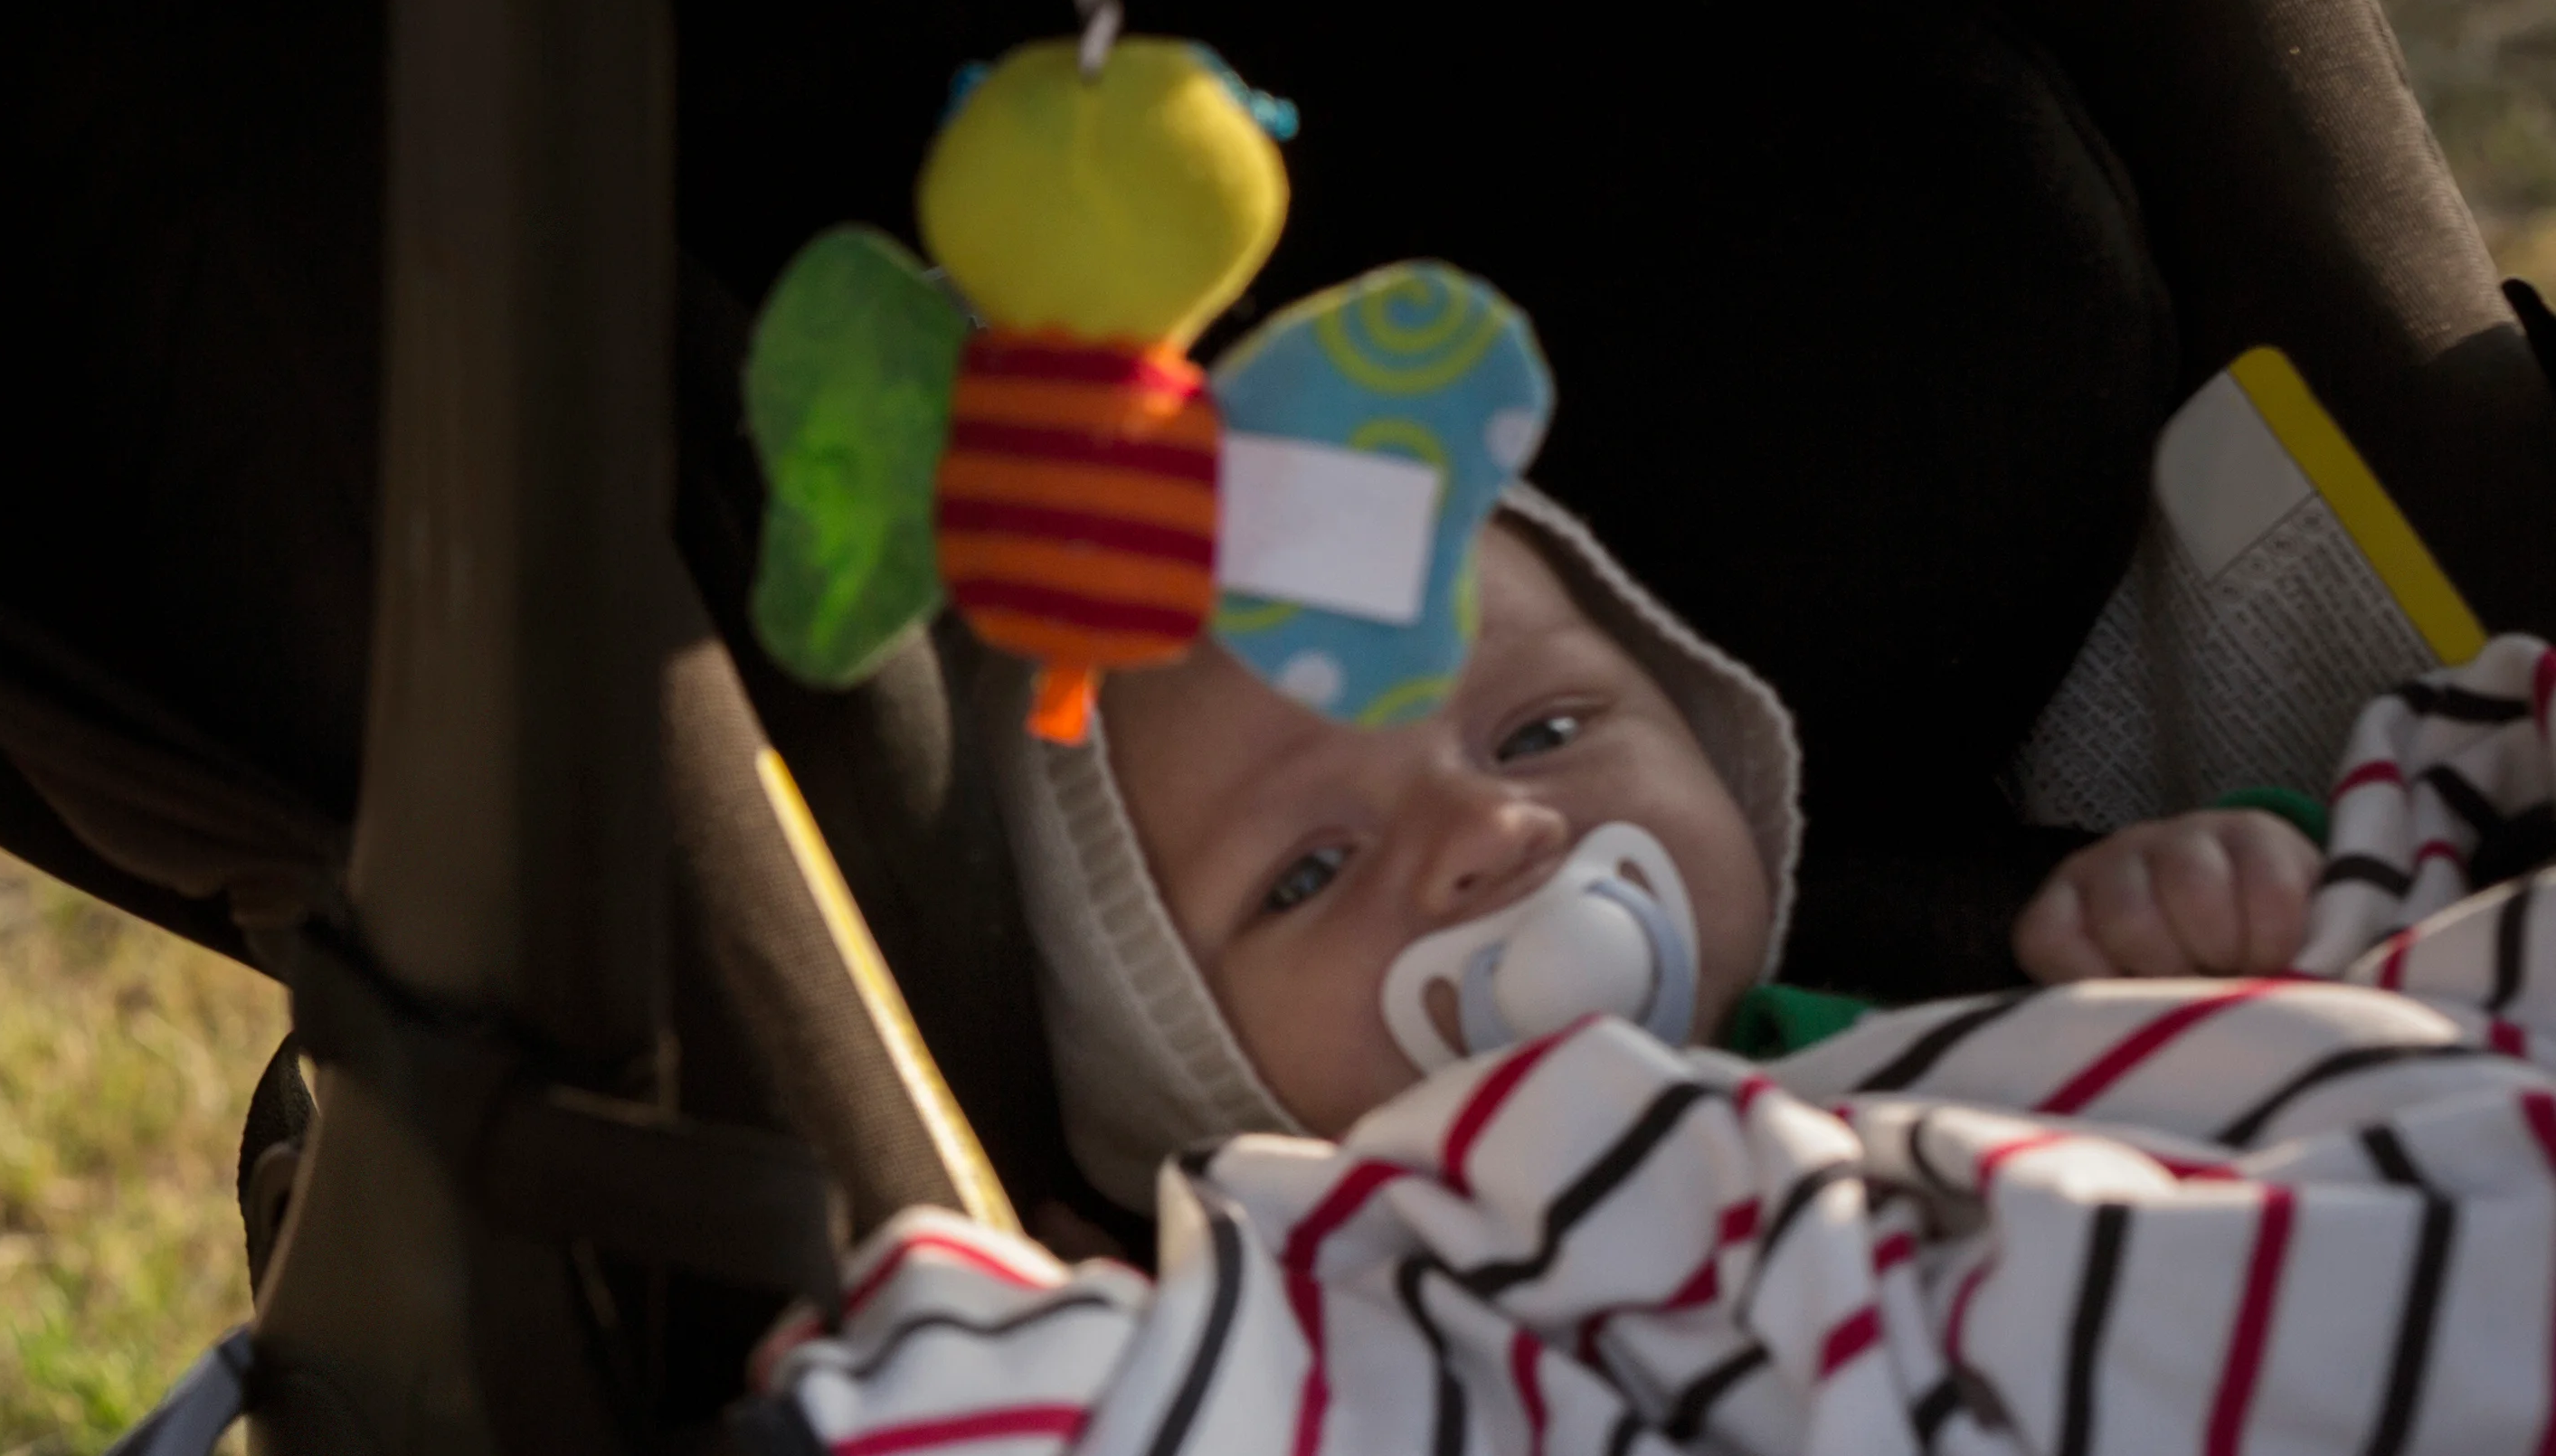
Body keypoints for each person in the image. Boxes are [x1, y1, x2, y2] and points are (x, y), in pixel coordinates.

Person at [996, 496, 2328, 1199]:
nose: (1492, 830)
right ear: (1176, 1069)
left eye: (1541, 732)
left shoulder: (1977, 978)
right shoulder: (1306, 1322)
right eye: (1310, 871)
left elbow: (2378, 993)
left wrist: (2227, 902)